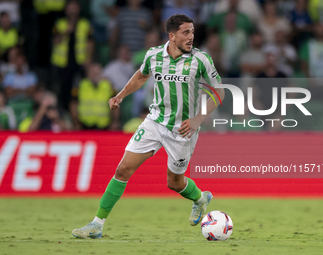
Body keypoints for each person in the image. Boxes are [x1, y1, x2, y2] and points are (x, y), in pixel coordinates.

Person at [72, 14, 225, 239]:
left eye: (192, 32)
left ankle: (200, 199)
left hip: (182, 130)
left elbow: (219, 92)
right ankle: (97, 224)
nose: (191, 37)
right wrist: (121, 95)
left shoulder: (201, 59)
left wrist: (197, 119)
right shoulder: (154, 55)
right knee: (123, 170)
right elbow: (141, 76)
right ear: (171, 36)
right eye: (186, 33)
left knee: (174, 183)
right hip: (155, 122)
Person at [51, 0, 94, 111]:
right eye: (70, 8)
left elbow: (90, 42)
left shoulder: (85, 24)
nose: (72, 11)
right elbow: (54, 41)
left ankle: (79, 111)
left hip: (79, 62)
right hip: (62, 63)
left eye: (74, 8)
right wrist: (66, 32)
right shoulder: (59, 24)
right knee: (63, 89)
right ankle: (64, 111)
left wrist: (88, 59)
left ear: (78, 9)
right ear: (66, 10)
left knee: (80, 88)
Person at [70, 63, 120, 131]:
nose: (95, 75)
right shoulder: (81, 85)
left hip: (104, 125)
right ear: (87, 74)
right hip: (84, 125)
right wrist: (76, 123)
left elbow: (115, 105)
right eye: (92, 73)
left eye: (97, 73)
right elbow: (74, 104)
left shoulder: (108, 86)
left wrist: (114, 121)